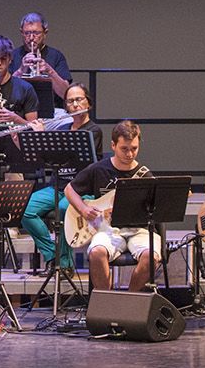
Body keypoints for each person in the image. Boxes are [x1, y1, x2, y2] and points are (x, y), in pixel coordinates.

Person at [63, 120, 160, 292]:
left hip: (139, 230)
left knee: (150, 257)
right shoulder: (99, 169)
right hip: (107, 229)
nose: (130, 154)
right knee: (96, 252)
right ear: (113, 145)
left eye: (134, 149)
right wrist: (84, 210)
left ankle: (129, 300)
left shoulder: (145, 175)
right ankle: (106, 303)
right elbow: (69, 189)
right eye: (124, 149)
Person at [19, 85, 106, 273]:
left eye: (79, 100)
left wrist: (46, 136)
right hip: (56, 187)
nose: (75, 104)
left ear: (88, 103)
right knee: (25, 210)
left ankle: (65, 264)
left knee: (64, 208)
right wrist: (39, 138)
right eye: (70, 101)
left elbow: (83, 162)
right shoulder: (63, 128)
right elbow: (46, 161)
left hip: (80, 191)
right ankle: (53, 256)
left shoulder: (93, 130)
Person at [16, 12, 72, 100]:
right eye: (27, 33)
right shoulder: (12, 56)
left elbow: (65, 94)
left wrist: (49, 71)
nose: (31, 38)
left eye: (36, 33)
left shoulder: (56, 56)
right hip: (19, 109)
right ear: (21, 32)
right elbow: (4, 93)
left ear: (45, 33)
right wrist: (20, 71)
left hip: (52, 109)